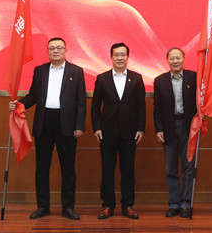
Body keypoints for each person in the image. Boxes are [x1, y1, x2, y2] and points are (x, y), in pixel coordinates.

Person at [9, 37, 86, 220]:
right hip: (44, 122)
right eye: (52, 48)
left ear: (66, 50)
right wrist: (19, 104)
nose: (55, 51)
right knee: (42, 168)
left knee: (68, 168)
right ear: (47, 51)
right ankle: (43, 207)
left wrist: (79, 125)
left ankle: (68, 208)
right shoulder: (40, 70)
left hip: (67, 125)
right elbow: (33, 96)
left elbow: (81, 102)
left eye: (59, 48)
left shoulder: (76, 71)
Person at [91, 42, 146, 219]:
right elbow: (95, 107)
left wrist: (141, 128)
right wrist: (96, 127)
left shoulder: (136, 78)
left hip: (130, 133)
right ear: (111, 57)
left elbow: (141, 106)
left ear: (128, 57)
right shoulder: (102, 78)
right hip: (107, 132)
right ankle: (107, 205)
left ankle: (128, 205)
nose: (120, 58)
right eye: (116, 55)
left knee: (128, 171)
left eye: (123, 55)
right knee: (107, 170)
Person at [153, 47, 197, 218]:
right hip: (169, 128)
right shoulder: (160, 81)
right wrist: (159, 129)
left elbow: (201, 102)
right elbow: (157, 108)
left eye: (178, 58)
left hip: (188, 127)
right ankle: (173, 204)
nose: (175, 61)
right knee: (170, 168)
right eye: (172, 58)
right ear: (167, 60)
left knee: (188, 168)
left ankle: (186, 204)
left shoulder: (194, 77)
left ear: (184, 58)